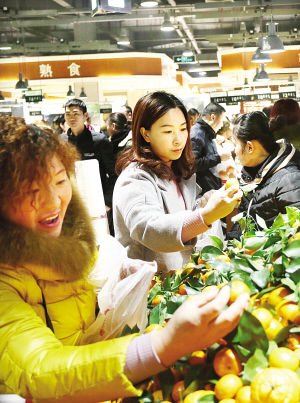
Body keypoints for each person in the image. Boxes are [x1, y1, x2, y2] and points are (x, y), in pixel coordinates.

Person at [0, 115, 249, 402]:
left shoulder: (74, 237)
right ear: (144, 133)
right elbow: (39, 369)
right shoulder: (8, 276)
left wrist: (114, 279)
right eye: (31, 191)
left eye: (59, 181)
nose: (53, 202)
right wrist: (162, 345)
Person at [113, 91, 242, 272]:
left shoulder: (176, 168)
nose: (178, 139)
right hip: (152, 287)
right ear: (145, 134)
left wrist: (208, 200)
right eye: (167, 131)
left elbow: (185, 208)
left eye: (183, 129)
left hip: (182, 281)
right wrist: (206, 215)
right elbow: (149, 228)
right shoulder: (135, 178)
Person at [227, 111, 300, 240]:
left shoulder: (289, 180)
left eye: (235, 144)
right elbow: (242, 223)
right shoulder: (250, 175)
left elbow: (295, 238)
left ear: (249, 147)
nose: (234, 150)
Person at [63, 98, 117, 211]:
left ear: (85, 115)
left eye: (76, 114)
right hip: (69, 202)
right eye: (68, 114)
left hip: (96, 201)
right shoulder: (60, 141)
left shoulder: (99, 140)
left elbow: (113, 174)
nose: (71, 118)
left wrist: (107, 201)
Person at [191, 102, 232, 194]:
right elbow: (193, 164)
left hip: (210, 185)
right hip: (202, 190)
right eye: (221, 121)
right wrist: (219, 157)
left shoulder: (205, 132)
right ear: (213, 117)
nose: (221, 125)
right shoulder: (197, 134)